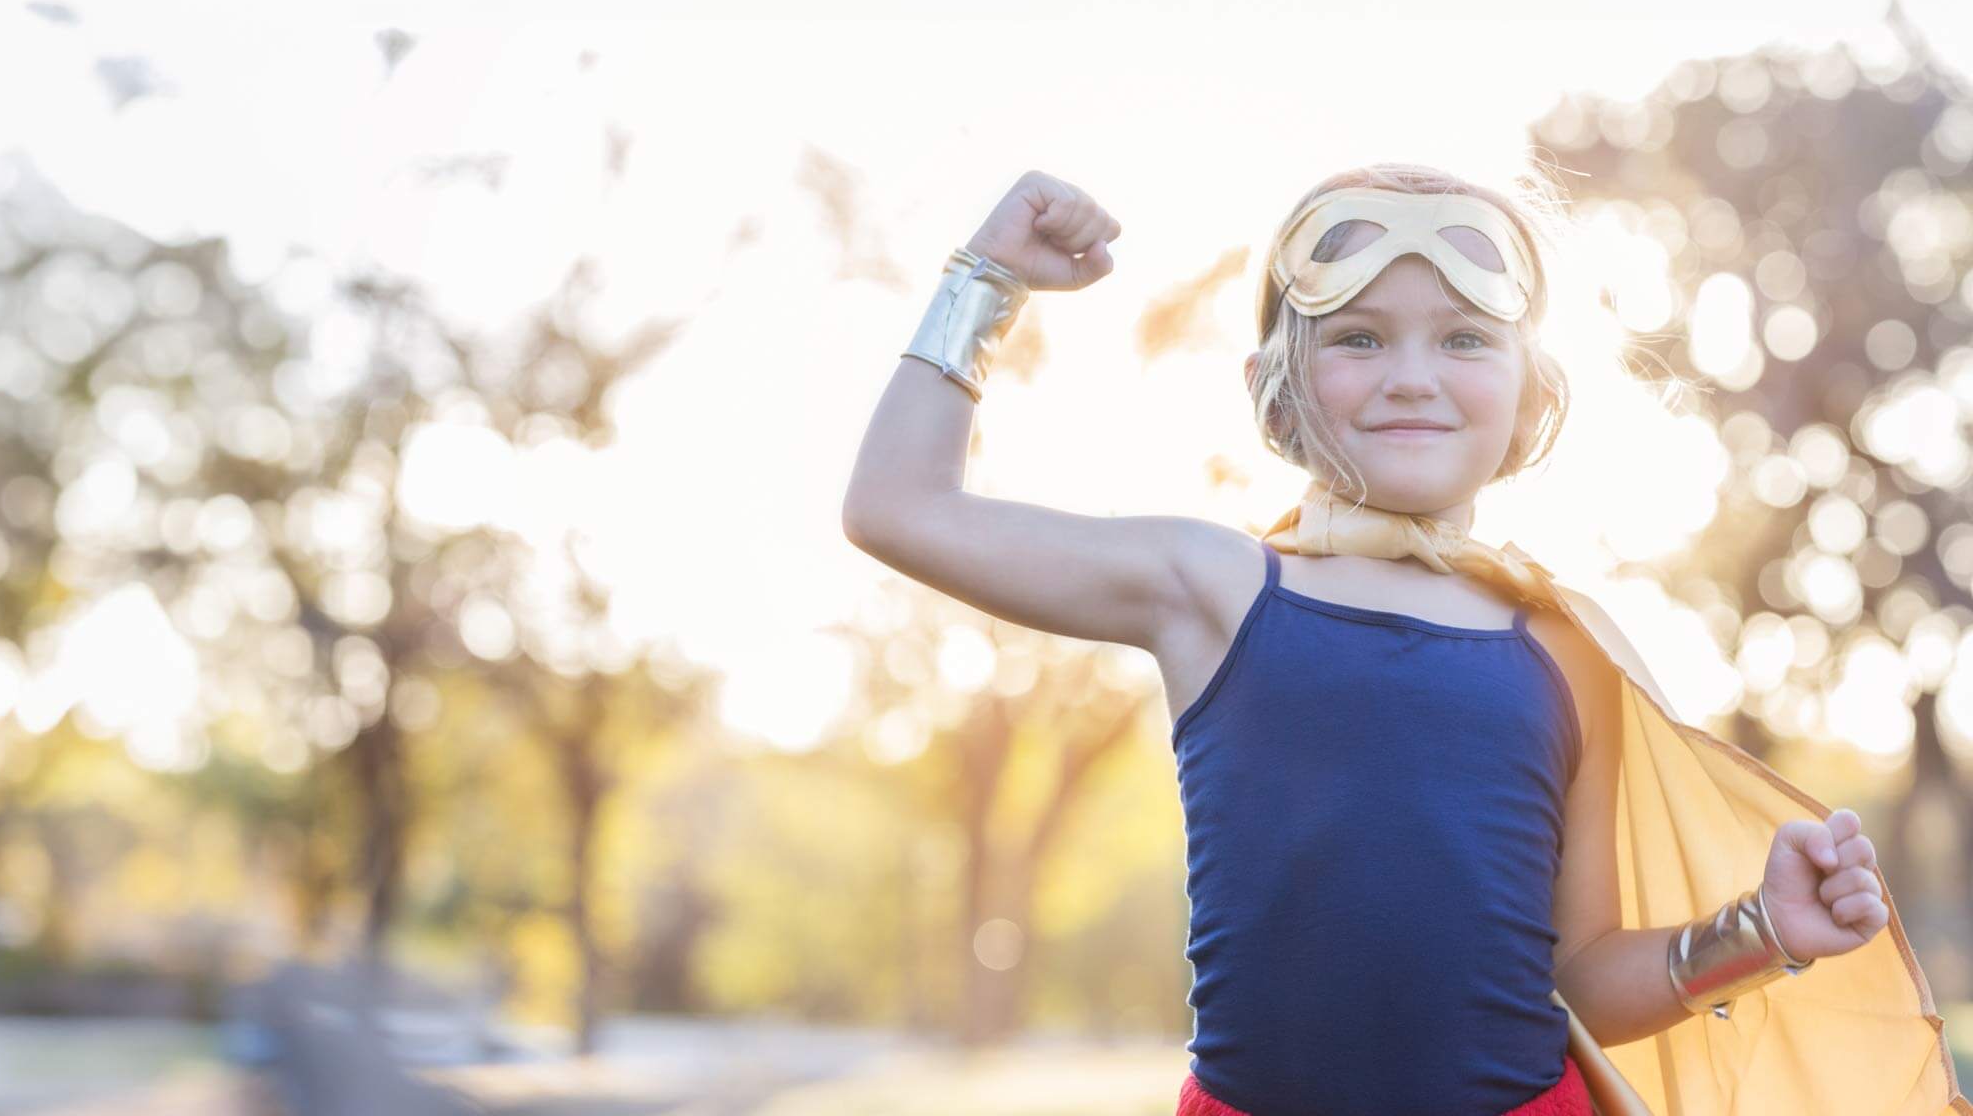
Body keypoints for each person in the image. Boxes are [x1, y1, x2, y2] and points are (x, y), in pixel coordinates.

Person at [841, 166, 1963, 1116]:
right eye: (1360, 337)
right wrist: (983, 277)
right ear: (1273, 386)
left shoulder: (1564, 645)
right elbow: (897, 506)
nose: (1412, 375)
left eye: (1464, 337)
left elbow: (1580, 974)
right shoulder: (1216, 585)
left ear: (1531, 388)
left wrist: (1759, 928)